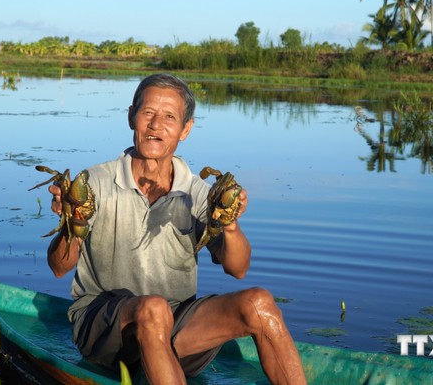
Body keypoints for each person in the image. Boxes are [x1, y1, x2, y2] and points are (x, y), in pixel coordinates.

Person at [46, 73, 306, 384]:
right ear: (131, 117)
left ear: (185, 129)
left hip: (176, 331)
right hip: (103, 330)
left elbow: (238, 269)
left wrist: (230, 224)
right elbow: (59, 268)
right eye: (148, 113)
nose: (156, 124)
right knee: (153, 309)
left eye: (169, 116)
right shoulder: (95, 183)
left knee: (259, 303)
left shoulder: (198, 193)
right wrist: (71, 222)